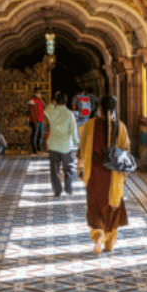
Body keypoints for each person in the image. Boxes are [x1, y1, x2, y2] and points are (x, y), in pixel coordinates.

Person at [78, 94, 130, 255]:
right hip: (113, 176)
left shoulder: (89, 125)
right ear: (114, 108)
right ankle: (109, 243)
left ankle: (99, 235)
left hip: (94, 174)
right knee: (112, 207)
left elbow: (81, 149)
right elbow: (125, 151)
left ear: (99, 108)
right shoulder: (120, 127)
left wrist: (80, 167)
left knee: (95, 207)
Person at [43, 90, 79, 197]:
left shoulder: (52, 111)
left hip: (53, 144)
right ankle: (68, 188)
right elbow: (73, 131)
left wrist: (53, 101)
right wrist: (76, 144)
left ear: (56, 101)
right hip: (66, 146)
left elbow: (46, 109)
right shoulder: (69, 114)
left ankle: (57, 190)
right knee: (68, 168)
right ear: (66, 102)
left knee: (55, 169)